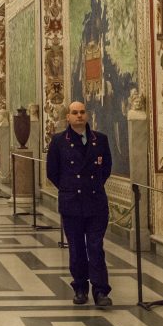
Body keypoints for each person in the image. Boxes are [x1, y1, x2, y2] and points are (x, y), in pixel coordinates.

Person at [46, 101, 113, 306]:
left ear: (87, 115)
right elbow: (52, 172)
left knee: (95, 247)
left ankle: (100, 291)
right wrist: (69, 187)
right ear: (68, 117)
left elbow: (106, 168)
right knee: (76, 248)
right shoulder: (58, 141)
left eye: (82, 112)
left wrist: (91, 186)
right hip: (72, 202)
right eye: (74, 113)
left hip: (95, 202)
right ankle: (81, 288)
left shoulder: (100, 140)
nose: (79, 116)